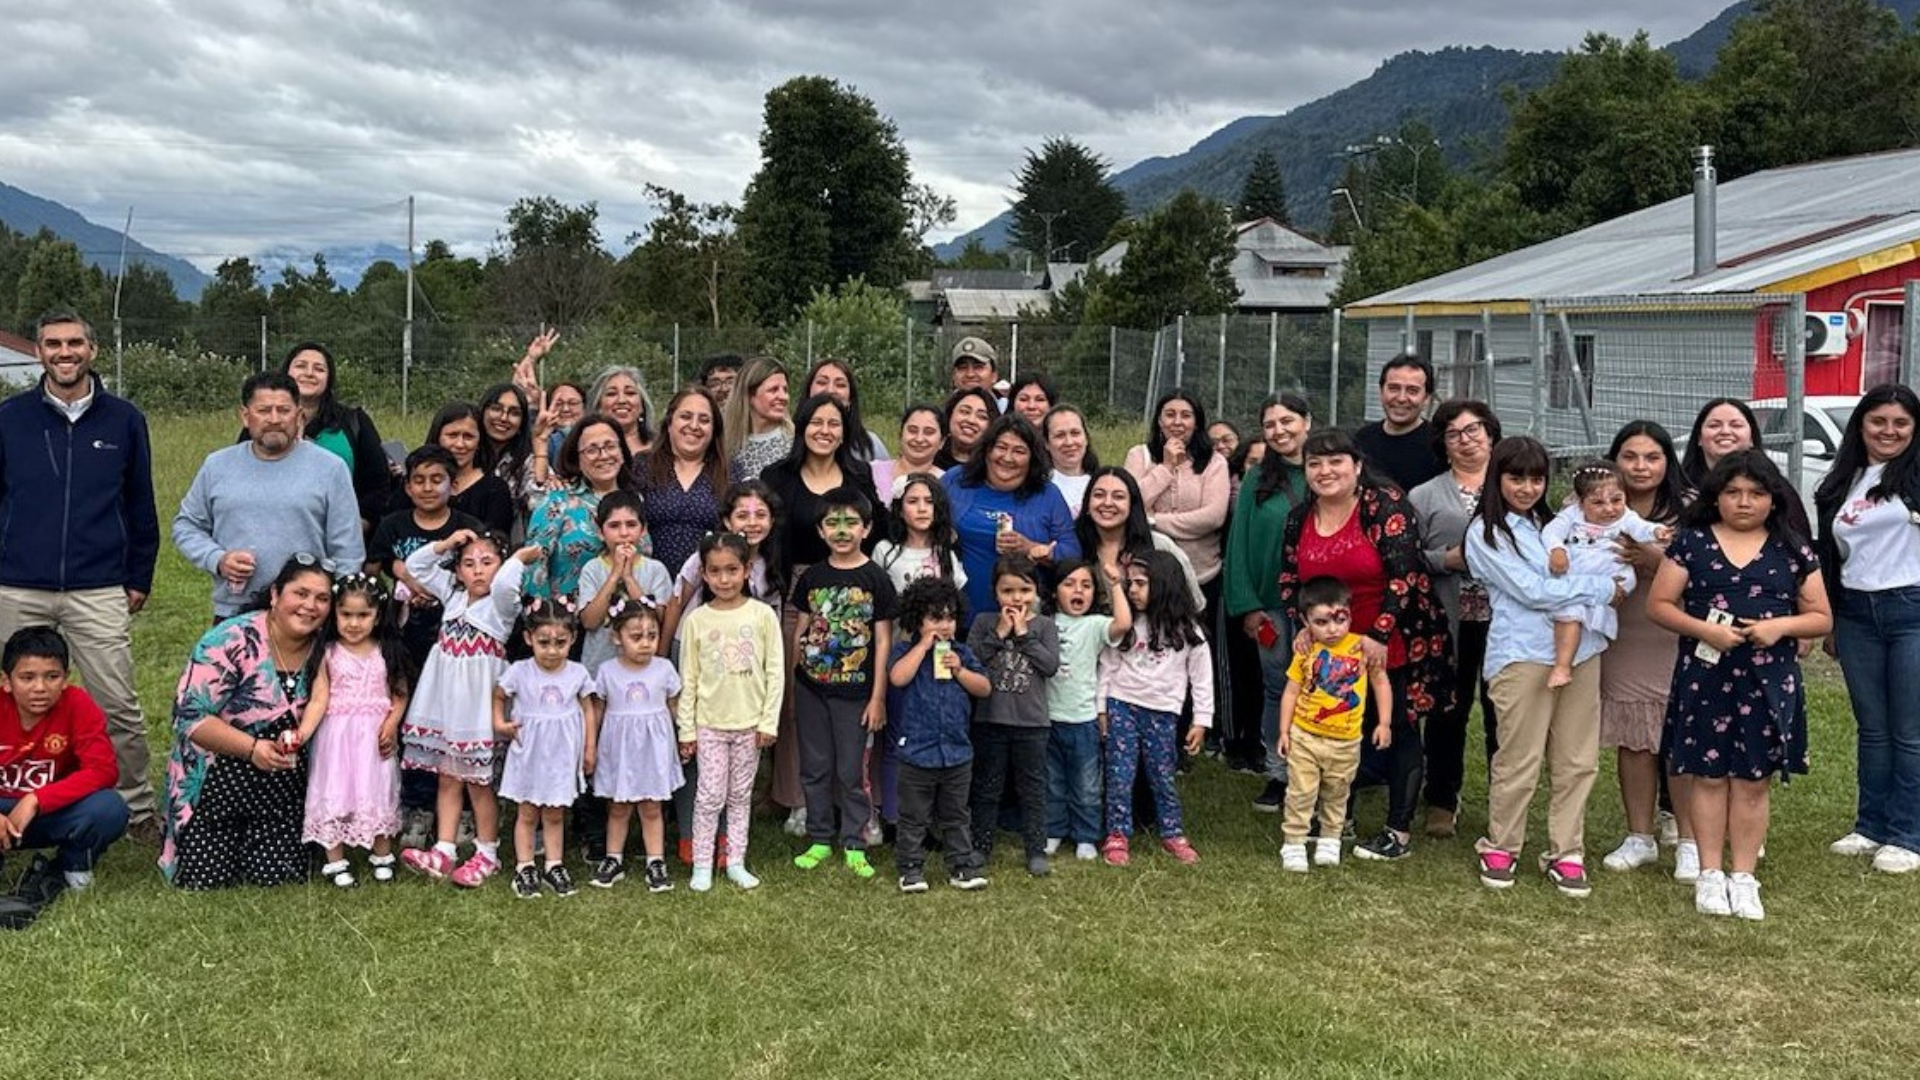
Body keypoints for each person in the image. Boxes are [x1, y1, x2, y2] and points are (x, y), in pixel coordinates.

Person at [0, 309, 160, 838]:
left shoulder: (124, 419)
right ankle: (12, 798)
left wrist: (138, 576)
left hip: (97, 585)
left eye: (74, 343)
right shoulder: (10, 417)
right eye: (52, 344)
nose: (63, 353)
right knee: (10, 699)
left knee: (116, 701)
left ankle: (136, 809)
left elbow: (140, 503)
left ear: (92, 350)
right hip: (18, 583)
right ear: (38, 352)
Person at [1649, 450, 1828, 920]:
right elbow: (1660, 604)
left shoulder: (1792, 549)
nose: (1744, 502)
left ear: (1774, 499)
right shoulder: (1692, 543)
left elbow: (1821, 617)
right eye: (1732, 492)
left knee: (1753, 781)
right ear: (1716, 496)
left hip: (1767, 680)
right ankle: (1709, 873)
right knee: (1707, 778)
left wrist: (1782, 627)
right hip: (1706, 675)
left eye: (1756, 493)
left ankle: (1744, 876)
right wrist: (1705, 630)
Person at [1279, 429, 1453, 864]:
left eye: (1336, 461)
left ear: (1356, 466)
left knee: (1396, 727)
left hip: (1391, 636)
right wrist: (1301, 626)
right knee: (1336, 726)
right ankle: (1340, 819)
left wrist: (1378, 633)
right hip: (1328, 648)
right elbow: (1289, 581)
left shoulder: (1385, 505)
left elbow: (1405, 576)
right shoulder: (1300, 517)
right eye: (1315, 463)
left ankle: (1397, 831)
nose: (1325, 471)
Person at [1464, 437, 1624, 897]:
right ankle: (1502, 843)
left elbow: (1608, 557)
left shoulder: (1557, 525)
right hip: (1523, 656)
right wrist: (1600, 589)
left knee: (1577, 759)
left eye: (1536, 478)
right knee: (1519, 757)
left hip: (1583, 652)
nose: (1527, 487)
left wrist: (1601, 581)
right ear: (1497, 477)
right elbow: (1531, 590)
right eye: (1516, 477)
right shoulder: (1486, 534)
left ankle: (1566, 850)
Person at [160, 555, 335, 889]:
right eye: (300, 594)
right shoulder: (229, 640)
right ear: (275, 595)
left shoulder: (325, 648)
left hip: (281, 790)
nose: (310, 606)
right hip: (218, 781)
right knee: (206, 879)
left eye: (322, 598)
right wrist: (253, 749)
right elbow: (188, 716)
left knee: (276, 877)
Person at [396, 529, 542, 889]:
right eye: (469, 564)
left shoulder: (501, 605)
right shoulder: (452, 596)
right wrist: (445, 545)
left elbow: (508, 584)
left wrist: (518, 559)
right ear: (457, 571)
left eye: (487, 563)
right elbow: (417, 566)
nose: (478, 571)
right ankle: (444, 849)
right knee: (447, 775)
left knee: (478, 782)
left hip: (477, 705)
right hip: (446, 701)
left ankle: (487, 852)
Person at [1816, 385, 1920, 875]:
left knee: (1910, 730)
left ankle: (1908, 833)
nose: (1889, 432)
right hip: (1856, 612)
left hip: (1911, 609)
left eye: (1900, 423)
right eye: (1879, 421)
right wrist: (1833, 615)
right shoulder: (1843, 481)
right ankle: (1871, 825)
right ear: (1862, 425)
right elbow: (1829, 556)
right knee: (1873, 728)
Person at [173, 372, 365, 620]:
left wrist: (334, 604)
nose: (274, 419)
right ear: (245, 415)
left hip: (306, 615)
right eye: (264, 410)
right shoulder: (217, 465)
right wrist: (218, 559)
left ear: (298, 415)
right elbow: (186, 526)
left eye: (283, 410)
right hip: (235, 611)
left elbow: (348, 549)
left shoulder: (330, 469)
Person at [790, 488, 897, 880]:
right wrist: (794, 677)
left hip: (856, 692)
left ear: (866, 528)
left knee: (852, 771)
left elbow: (883, 639)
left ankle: (854, 839)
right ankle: (820, 836)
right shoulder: (812, 577)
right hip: (811, 688)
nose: (841, 530)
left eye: (851, 522)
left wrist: (878, 697)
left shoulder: (875, 578)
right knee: (815, 767)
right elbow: (800, 628)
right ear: (820, 531)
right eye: (832, 523)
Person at [1597, 420, 1687, 875]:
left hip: (1677, 636)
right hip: (1623, 636)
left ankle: (1690, 839)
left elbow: (1709, 575)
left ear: (1667, 462)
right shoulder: (1595, 506)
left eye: (1651, 457)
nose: (1640, 466)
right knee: (1634, 740)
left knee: (1683, 741)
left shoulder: (1690, 510)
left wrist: (1654, 561)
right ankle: (1639, 836)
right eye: (1630, 457)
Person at [1408, 399, 1499, 838]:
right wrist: (1446, 559)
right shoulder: (1424, 495)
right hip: (1449, 618)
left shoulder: (1514, 485)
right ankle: (1442, 797)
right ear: (1442, 444)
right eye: (1453, 434)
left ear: (1490, 434)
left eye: (1473, 430)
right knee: (1448, 709)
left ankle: (1505, 801)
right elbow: (1406, 557)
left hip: (1505, 621)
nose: (1465, 440)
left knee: (1503, 710)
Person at [676, 532, 785, 893]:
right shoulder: (697, 621)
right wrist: (686, 730)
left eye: (732, 570)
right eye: (715, 571)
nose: (724, 579)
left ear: (747, 570)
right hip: (709, 724)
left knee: (740, 796)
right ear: (704, 575)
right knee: (708, 796)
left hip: (750, 724)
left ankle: (735, 860)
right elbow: (688, 678)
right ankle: (703, 865)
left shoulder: (763, 615)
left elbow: (775, 672)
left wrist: (769, 722)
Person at [0, 627, 129, 928]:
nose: (40, 687)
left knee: (109, 808)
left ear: (66, 678)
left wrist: (37, 799)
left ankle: (70, 866)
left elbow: (103, 769)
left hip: (45, 814)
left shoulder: (77, 704)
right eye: (27, 677)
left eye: (52, 676)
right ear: (6, 682)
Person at [1223, 392, 1311, 808]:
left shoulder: (1324, 470)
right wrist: (1247, 605)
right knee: (1277, 684)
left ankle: (1316, 772)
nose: (1280, 431)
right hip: (1270, 604)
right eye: (1271, 424)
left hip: (1320, 605)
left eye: (1287, 421)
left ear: (1307, 422)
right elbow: (1238, 542)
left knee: (1322, 685)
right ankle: (1279, 774)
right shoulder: (1257, 479)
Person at [294, 573, 409, 888]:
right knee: (335, 789)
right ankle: (335, 858)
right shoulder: (328, 652)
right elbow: (319, 699)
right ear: (334, 614)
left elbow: (399, 693)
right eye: (346, 614)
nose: (354, 623)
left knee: (377, 789)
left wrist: (391, 723)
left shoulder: (386, 650)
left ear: (378, 615)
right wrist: (302, 734)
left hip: (374, 736)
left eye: (363, 615)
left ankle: (382, 853)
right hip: (337, 737)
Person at [1098, 550, 1211, 867]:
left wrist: (1201, 721)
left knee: (1162, 776)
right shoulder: (1126, 624)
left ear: (1164, 584)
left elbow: (1202, 680)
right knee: (1120, 775)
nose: (1132, 590)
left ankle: (1172, 833)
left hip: (1163, 713)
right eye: (1129, 583)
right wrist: (1102, 710)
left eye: (1141, 583)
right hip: (1122, 706)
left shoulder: (1189, 631)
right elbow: (1107, 667)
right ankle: (1117, 834)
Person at [1277, 576, 1393, 874]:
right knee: (1300, 791)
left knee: (1338, 792)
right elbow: (1291, 690)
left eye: (1340, 620)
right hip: (1305, 736)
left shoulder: (1361, 648)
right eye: (1322, 622)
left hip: (1346, 740)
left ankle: (1331, 837)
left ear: (1350, 615)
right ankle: (1294, 841)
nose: (1332, 629)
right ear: (1305, 621)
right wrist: (1284, 731)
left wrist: (1384, 722)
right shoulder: (1305, 650)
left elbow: (1381, 682)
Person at [886, 576, 992, 892]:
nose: (944, 625)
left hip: (957, 752)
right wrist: (922, 645)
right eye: (935, 618)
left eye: (949, 617)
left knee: (957, 814)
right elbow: (898, 678)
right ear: (917, 620)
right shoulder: (906, 651)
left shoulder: (962, 652)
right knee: (913, 817)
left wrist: (960, 670)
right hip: (917, 752)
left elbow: (984, 688)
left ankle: (961, 866)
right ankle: (910, 869)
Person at [496, 600, 598, 900]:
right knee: (527, 812)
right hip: (530, 753)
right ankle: (525, 866)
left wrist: (590, 747)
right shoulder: (520, 671)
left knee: (555, 812)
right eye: (544, 642)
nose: (552, 650)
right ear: (529, 638)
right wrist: (500, 723)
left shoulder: (577, 673)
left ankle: (554, 864)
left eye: (560, 643)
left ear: (573, 640)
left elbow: (588, 710)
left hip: (563, 754)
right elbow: (499, 695)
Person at [966, 555, 1060, 876]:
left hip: (1032, 724)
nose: (1016, 598)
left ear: (1036, 591)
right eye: (1008, 591)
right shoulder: (982, 622)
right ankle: (980, 845)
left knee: (1032, 789)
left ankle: (1035, 848)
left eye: (1024, 589)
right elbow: (971, 661)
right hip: (989, 720)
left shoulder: (1045, 625)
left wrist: (1021, 635)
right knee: (987, 787)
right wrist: (999, 632)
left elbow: (1049, 666)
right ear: (995, 592)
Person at [1543, 461, 1668, 689]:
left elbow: (1641, 527)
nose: (1609, 509)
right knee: (1571, 613)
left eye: (1616, 500)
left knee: (1599, 601)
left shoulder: (1626, 517)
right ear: (1581, 503)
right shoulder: (1571, 516)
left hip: (1613, 572)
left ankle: (1588, 636)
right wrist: (1557, 550)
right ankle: (1563, 666)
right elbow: (1551, 532)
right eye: (1598, 503)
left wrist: (1656, 531)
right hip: (1579, 573)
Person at [944, 413, 1080, 619]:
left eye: (1019, 451)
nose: (1007, 458)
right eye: (1001, 447)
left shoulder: (1047, 494)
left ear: (1032, 458)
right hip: (956, 616)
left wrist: (1030, 548)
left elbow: (1072, 553)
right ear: (987, 449)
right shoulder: (956, 480)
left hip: (1025, 622)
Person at [590, 602, 682, 893]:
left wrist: (686, 737)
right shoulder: (607, 671)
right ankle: (613, 858)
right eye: (637, 636)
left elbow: (675, 706)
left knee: (652, 806)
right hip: (619, 749)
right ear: (617, 637)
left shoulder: (664, 668)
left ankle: (655, 861)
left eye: (652, 636)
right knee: (618, 806)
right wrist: (589, 746)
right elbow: (598, 710)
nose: (646, 643)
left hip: (653, 750)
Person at [1045, 559, 1130, 862]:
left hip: (1083, 721)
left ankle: (1085, 835)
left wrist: (1115, 584)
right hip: (1048, 719)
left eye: (1086, 585)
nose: (1078, 591)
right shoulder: (1045, 623)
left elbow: (1122, 623)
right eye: (1069, 584)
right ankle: (1053, 830)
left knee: (1087, 785)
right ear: (1055, 592)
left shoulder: (1094, 625)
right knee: (1052, 781)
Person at [371, 446, 486, 663]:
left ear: (453, 486)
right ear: (407, 487)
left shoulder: (468, 529)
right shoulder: (392, 525)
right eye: (419, 480)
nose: (427, 488)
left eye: (436, 480)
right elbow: (372, 570)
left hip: (454, 632)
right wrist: (399, 574)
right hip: (402, 631)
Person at [1124, 390, 1231, 611]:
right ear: (1159, 420)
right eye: (1170, 414)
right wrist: (1166, 467)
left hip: (1203, 574)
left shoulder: (1214, 462)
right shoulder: (1138, 456)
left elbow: (1213, 517)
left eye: (1186, 415)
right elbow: (1129, 505)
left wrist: (1153, 521)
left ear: (1197, 422)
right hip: (1149, 577)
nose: (1178, 422)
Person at [280, 342, 393, 531]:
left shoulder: (354, 422)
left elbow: (379, 483)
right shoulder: (264, 422)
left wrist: (360, 525)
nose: (309, 373)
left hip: (341, 534)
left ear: (329, 377)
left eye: (319, 369)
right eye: (301, 366)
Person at [525, 415, 636, 603]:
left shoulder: (635, 500)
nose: (603, 455)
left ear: (622, 451)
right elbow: (534, 565)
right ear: (578, 458)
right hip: (566, 624)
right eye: (592, 449)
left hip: (629, 624)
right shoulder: (558, 500)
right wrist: (542, 620)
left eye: (610, 446)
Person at [636, 387, 734, 582]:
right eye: (686, 416)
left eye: (704, 420)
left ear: (714, 429)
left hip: (710, 586)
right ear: (670, 422)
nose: (694, 425)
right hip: (649, 584)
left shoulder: (731, 472)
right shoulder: (643, 465)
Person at [1681, 397, 1813, 540]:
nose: (1725, 431)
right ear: (1699, 438)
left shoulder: (1776, 487)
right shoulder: (1680, 488)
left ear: (1751, 437)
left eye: (1736, 425)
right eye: (1714, 425)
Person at [1073, 467, 1205, 611]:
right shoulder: (1072, 546)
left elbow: (1195, 604)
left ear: (1132, 505)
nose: (1108, 503)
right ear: (1087, 503)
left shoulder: (1160, 545)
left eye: (1118, 497)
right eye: (1099, 495)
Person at [577, 491, 674, 674]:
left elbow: (658, 619)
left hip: (645, 669)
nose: (623, 533)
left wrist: (629, 578)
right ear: (600, 531)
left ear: (643, 529)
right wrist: (614, 575)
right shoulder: (592, 569)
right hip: (599, 669)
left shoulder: (655, 570)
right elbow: (589, 622)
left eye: (631, 525)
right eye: (614, 526)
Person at [1353, 354, 1444, 492]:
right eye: (1394, 388)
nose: (1401, 398)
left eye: (1412, 391)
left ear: (1426, 398)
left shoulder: (1439, 445)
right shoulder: (1362, 440)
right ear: (1381, 391)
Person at [425, 403, 516, 535]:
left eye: (468, 436)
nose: (460, 444)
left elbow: (496, 542)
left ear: (479, 442)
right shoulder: (417, 484)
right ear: (437, 437)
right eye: (452, 435)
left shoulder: (495, 489)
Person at [874, 473, 967, 598]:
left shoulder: (945, 552)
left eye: (929, 501)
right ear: (900, 510)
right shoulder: (884, 550)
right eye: (912, 501)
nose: (922, 509)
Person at [803, 358, 890, 462]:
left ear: (850, 399)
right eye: (822, 382)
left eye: (840, 385)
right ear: (808, 391)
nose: (830, 390)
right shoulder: (789, 441)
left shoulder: (871, 446)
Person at [720, 357, 791, 480]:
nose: (783, 396)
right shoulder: (726, 445)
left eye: (785, 390)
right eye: (773, 390)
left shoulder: (794, 444)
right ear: (750, 395)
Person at [477, 383, 540, 518]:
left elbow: (541, 503)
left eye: (514, 413)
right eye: (496, 409)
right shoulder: (464, 451)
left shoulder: (525, 461)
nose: (504, 418)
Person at [585, 367, 654, 462]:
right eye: (611, 394)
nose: (621, 400)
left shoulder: (663, 447)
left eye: (630, 393)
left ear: (642, 406)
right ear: (598, 406)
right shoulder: (583, 449)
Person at [1043, 403, 1100, 514]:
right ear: (1046, 443)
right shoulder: (1038, 487)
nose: (1069, 442)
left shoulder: (1102, 483)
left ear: (1086, 438)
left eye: (1075, 433)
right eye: (1060, 435)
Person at [935, 387, 998, 469]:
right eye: (965, 412)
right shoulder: (929, 456)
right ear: (950, 415)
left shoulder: (993, 468)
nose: (971, 420)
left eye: (982, 417)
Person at [893, 404, 947, 495]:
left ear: (942, 442)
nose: (919, 439)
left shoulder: (948, 483)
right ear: (900, 435)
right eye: (912, 430)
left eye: (929, 432)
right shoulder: (872, 472)